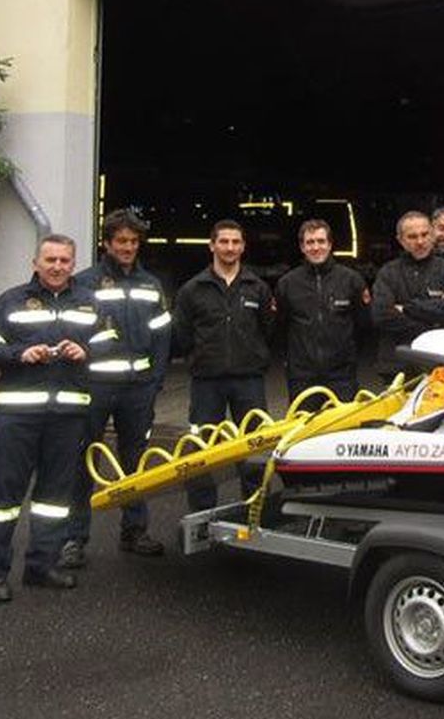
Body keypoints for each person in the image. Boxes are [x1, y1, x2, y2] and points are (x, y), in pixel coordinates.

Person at [0, 233, 119, 602]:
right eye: (50, 260)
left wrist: (84, 350)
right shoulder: (12, 301)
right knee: (3, 499)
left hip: (68, 416)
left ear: (73, 263)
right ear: (35, 263)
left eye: (64, 261)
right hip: (18, 416)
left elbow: (110, 341)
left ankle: (42, 566)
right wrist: (20, 353)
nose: (57, 267)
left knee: (54, 498)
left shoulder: (88, 303)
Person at [62, 210, 172, 568]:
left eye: (133, 241)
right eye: (121, 241)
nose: (127, 247)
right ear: (107, 243)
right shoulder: (84, 284)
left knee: (135, 461)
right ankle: (73, 539)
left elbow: (161, 338)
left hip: (138, 389)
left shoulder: (151, 285)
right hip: (94, 387)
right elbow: (72, 337)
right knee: (84, 460)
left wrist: (154, 381)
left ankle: (135, 531)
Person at [170, 219, 275, 512]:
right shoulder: (192, 290)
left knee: (254, 446)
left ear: (243, 247)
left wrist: (253, 357)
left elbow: (268, 329)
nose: (230, 248)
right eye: (224, 242)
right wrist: (199, 359)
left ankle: (256, 507)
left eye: (236, 242)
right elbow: (182, 334)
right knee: (203, 449)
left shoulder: (258, 288)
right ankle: (202, 512)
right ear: (212, 245)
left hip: (248, 380)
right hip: (207, 381)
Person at [274, 218, 371, 405]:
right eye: (310, 242)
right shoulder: (287, 284)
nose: (316, 247)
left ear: (330, 244)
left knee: (342, 431)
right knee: (305, 432)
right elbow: (280, 328)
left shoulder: (352, 281)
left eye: (321, 241)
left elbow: (364, 326)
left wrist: (347, 357)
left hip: (342, 376)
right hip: (302, 377)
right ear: (302, 247)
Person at [371, 210, 444, 373]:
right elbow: (381, 315)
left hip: (438, 364)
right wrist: (433, 323)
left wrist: (406, 309)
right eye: (412, 237)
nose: (420, 241)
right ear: (400, 240)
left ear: (431, 235)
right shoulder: (388, 272)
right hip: (396, 366)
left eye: (424, 234)